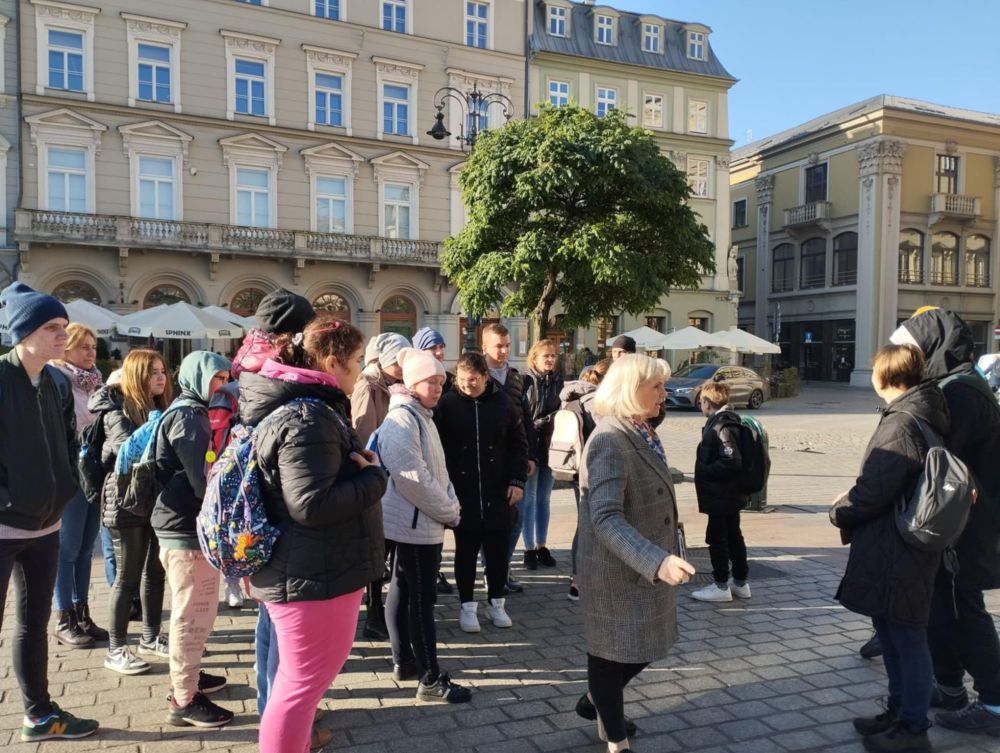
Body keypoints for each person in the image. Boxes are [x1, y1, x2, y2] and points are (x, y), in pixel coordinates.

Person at [241, 314, 387, 753]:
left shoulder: (308, 410)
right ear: (330, 361)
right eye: (357, 360)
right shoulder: (309, 417)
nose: (361, 370)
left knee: (298, 685)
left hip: (310, 569)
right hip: (312, 573)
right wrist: (374, 478)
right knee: (299, 688)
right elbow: (311, 504)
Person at [830, 344, 945, 753]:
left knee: (906, 637)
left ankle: (913, 728)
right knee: (893, 632)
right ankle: (898, 713)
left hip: (898, 546)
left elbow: (876, 490)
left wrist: (839, 510)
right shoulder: (923, 411)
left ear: (885, 376)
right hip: (902, 543)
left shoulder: (902, 423)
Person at [577, 353, 695, 752]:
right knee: (611, 655)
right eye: (657, 386)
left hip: (640, 564)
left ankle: (596, 700)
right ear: (632, 390)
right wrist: (657, 561)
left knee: (641, 646)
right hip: (617, 570)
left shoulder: (639, 428)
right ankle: (616, 739)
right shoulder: (610, 439)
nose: (665, 393)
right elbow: (605, 518)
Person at [890, 308, 1000, 736]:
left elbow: (939, 459)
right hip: (957, 522)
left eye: (913, 351)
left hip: (965, 526)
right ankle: (950, 686)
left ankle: (993, 701)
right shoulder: (952, 386)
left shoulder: (962, 392)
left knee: (962, 610)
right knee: (942, 607)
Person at [0, 281, 100, 741]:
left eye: (63, 326)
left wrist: (62, 488)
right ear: (23, 332)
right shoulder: (2, 379)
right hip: (5, 525)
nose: (63, 335)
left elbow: (68, 440)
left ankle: (39, 714)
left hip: (47, 525)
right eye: (52, 327)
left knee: (34, 626)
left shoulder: (57, 382)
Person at [380, 347, 471, 703]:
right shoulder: (403, 419)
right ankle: (430, 680)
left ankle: (406, 663)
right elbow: (413, 479)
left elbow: (437, 471)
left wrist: (448, 502)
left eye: (440, 381)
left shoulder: (422, 415)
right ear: (412, 383)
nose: (437, 388)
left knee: (404, 591)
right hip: (417, 523)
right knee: (421, 601)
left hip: (421, 520)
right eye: (429, 382)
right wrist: (449, 510)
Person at [152, 351, 234, 727]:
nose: (221, 386)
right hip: (183, 527)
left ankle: (189, 677)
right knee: (193, 612)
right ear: (199, 377)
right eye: (217, 379)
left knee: (196, 610)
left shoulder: (188, 410)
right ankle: (184, 698)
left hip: (181, 523)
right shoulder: (188, 416)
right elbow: (203, 479)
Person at [435, 352, 529, 633]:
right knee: (465, 553)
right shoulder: (447, 404)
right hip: (462, 493)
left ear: (486, 377)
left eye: (473, 381)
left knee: (498, 552)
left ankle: (497, 602)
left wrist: (517, 480)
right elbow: (437, 448)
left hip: (498, 491)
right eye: (462, 381)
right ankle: (467, 606)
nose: (467, 386)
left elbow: (519, 445)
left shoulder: (504, 403)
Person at [98, 349, 172, 677]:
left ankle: (150, 636)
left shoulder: (160, 406)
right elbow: (126, 450)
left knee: (155, 572)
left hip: (154, 498)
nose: (161, 377)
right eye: (152, 372)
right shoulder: (116, 408)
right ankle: (115, 649)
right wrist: (160, 424)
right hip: (124, 500)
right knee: (127, 577)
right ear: (137, 376)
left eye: (162, 371)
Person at [50, 323, 109, 647]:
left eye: (93, 346)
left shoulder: (96, 382)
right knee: (68, 549)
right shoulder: (58, 380)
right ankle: (63, 617)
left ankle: (82, 613)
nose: (90, 352)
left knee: (87, 549)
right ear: (68, 348)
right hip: (71, 474)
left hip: (94, 472)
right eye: (84, 346)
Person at [352, 331, 409, 640]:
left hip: (396, 476)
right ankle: (374, 616)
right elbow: (363, 433)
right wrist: (370, 472)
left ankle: (385, 611)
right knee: (378, 547)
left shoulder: (396, 386)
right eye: (398, 360)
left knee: (389, 546)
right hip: (378, 476)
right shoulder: (369, 386)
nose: (403, 365)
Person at [481, 323, 536, 594]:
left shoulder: (516, 378)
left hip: (513, 458)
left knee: (516, 517)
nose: (503, 351)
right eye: (498, 346)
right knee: (489, 522)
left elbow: (526, 420)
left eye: (506, 345)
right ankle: (491, 571)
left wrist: (530, 455)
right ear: (485, 348)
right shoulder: (475, 377)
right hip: (486, 462)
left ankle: (502, 568)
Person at [690, 381, 751, 603]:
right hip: (730, 493)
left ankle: (721, 584)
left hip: (721, 494)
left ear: (707, 402)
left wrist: (706, 470)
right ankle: (740, 583)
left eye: (701, 402)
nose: (700, 406)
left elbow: (731, 459)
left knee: (718, 538)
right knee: (734, 535)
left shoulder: (721, 426)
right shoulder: (728, 421)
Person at [559, 357, 611, 600]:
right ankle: (581, 579)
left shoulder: (571, 396)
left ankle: (578, 578)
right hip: (596, 470)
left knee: (585, 522)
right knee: (592, 524)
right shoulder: (596, 402)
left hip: (575, 467)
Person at [412, 325, 454, 595]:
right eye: (431, 348)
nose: (438, 352)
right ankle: (432, 571)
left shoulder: (449, 379)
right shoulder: (412, 388)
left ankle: (436, 567)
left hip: (445, 456)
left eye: (440, 347)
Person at [519, 339, 564, 570]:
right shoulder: (525, 380)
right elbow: (522, 415)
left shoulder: (559, 382)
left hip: (551, 445)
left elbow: (563, 413)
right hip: (530, 445)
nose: (549, 360)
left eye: (553, 356)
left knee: (544, 498)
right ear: (534, 358)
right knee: (529, 498)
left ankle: (541, 545)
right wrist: (541, 422)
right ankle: (528, 548)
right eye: (545, 356)